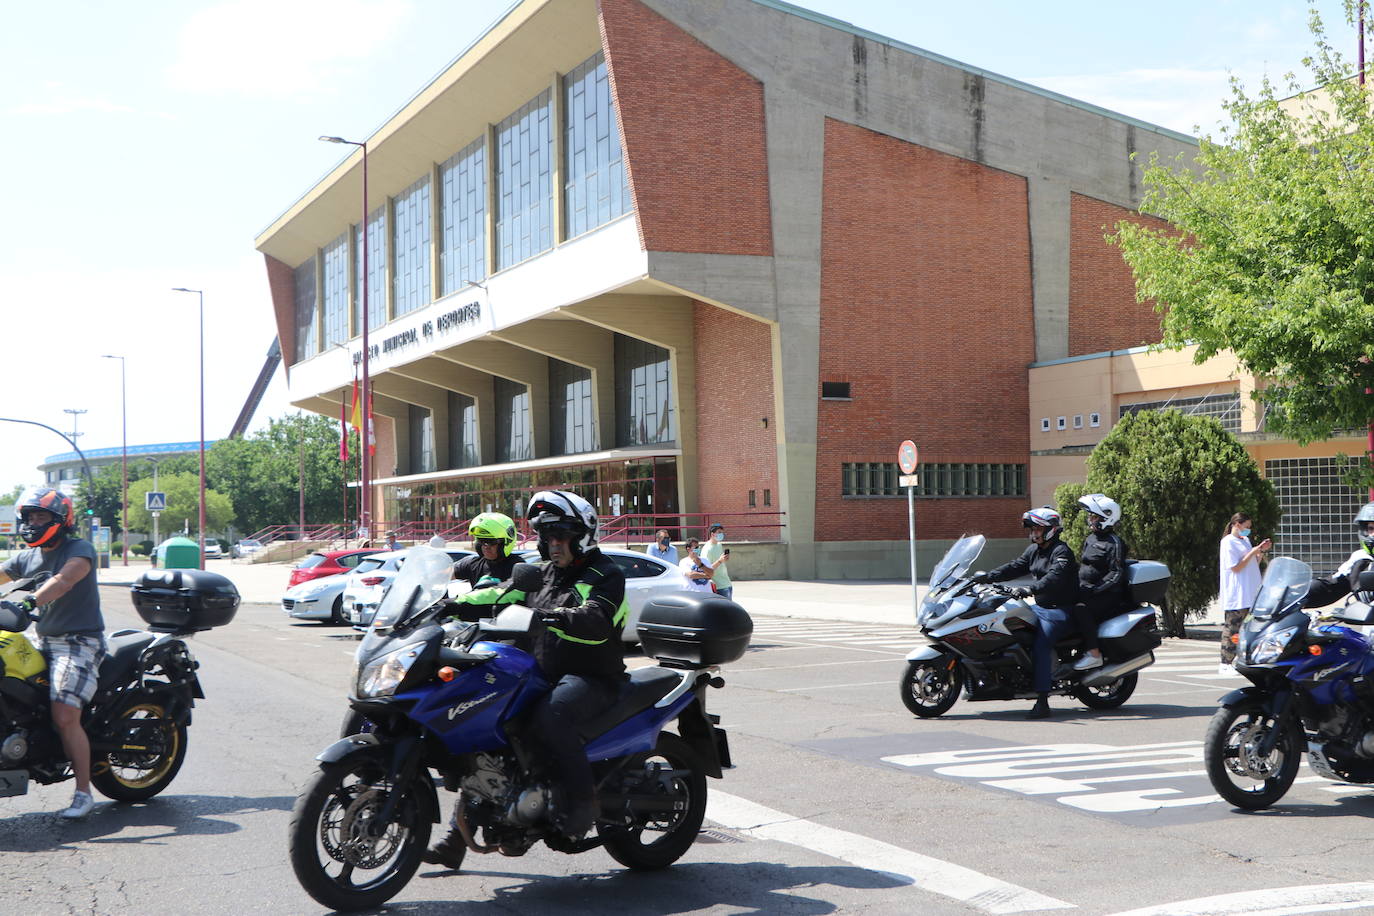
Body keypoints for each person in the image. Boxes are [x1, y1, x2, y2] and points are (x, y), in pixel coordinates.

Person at [426, 491, 626, 866]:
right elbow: (499, 595)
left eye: (561, 536)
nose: (554, 544)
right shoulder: (540, 572)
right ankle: (458, 840)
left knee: (551, 715)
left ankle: (581, 806)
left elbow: (597, 619)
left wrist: (553, 616)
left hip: (592, 676)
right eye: (548, 537)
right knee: (486, 730)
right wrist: (445, 604)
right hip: (540, 672)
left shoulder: (605, 574)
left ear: (582, 534)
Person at [0, 487, 106, 819]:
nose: (32, 523)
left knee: (64, 714)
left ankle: (83, 794)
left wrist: (31, 600)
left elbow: (64, 580)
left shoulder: (80, 549)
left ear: (62, 519)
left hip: (78, 642)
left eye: (40, 515)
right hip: (40, 638)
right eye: (29, 516)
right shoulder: (26, 556)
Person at [974, 506, 1079, 719]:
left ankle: (1042, 701)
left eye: (1037, 529)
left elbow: (1054, 578)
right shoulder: (1034, 551)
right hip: (1039, 608)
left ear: (1050, 529)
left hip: (1060, 611)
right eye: (1031, 529)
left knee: (1041, 645)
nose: (1033, 533)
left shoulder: (1062, 552)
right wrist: (986, 577)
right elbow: (1014, 567)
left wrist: (1029, 589)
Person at [1069, 494, 1130, 672]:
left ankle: (1094, 654)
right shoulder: (1091, 538)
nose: (1090, 520)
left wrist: (1095, 589)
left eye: (1094, 517)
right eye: (1091, 516)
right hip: (1087, 589)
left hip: (1108, 594)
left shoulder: (1115, 543)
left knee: (1081, 608)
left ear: (1106, 518)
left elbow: (1116, 572)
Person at [1219, 512, 1269, 676]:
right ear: (1237, 524)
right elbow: (1236, 567)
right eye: (1246, 527)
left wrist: (1259, 552)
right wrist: (1252, 552)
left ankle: (1245, 660)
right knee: (1233, 627)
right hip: (1237, 593)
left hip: (1250, 591)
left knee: (1249, 629)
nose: (1248, 531)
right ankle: (1225, 662)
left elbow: (1252, 564)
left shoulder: (1245, 540)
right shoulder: (1228, 542)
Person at [1303, 503, 1374, 612]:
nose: (1373, 534)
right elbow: (1332, 585)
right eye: (1371, 528)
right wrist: (1297, 596)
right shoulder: (1361, 559)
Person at [699, 523, 732, 599]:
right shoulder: (707, 549)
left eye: (722, 532)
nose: (721, 534)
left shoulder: (719, 545)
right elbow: (706, 569)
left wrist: (724, 559)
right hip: (718, 587)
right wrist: (720, 561)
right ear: (712, 534)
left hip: (726, 583)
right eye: (719, 532)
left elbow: (720, 561)